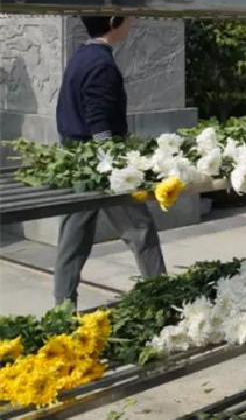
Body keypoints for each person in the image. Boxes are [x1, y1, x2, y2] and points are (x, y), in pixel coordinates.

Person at [53, 15, 167, 308]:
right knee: (139, 229)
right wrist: (112, 163)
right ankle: (161, 296)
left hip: (77, 157)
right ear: (114, 23)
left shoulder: (81, 56)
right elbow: (97, 117)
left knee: (74, 234)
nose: (132, 23)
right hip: (100, 161)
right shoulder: (102, 65)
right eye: (127, 18)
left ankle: (64, 305)